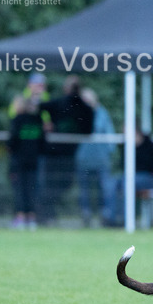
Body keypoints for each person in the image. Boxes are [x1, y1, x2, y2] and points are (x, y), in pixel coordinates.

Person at [39, 76, 94, 223]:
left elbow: (88, 130)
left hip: (66, 154)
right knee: (53, 184)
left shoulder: (82, 108)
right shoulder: (68, 105)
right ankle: (45, 214)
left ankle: (47, 213)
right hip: (55, 153)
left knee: (60, 184)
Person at [76, 88, 116, 228]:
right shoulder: (79, 114)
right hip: (83, 160)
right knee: (84, 190)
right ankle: (85, 214)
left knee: (104, 189)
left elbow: (110, 135)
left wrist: (109, 151)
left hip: (101, 160)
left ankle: (105, 215)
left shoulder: (102, 114)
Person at [8, 95, 45, 230]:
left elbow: (12, 142)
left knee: (20, 189)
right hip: (34, 161)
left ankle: (20, 218)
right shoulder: (38, 120)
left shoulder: (17, 120)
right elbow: (43, 141)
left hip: (18, 162)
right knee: (32, 189)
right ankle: (31, 218)